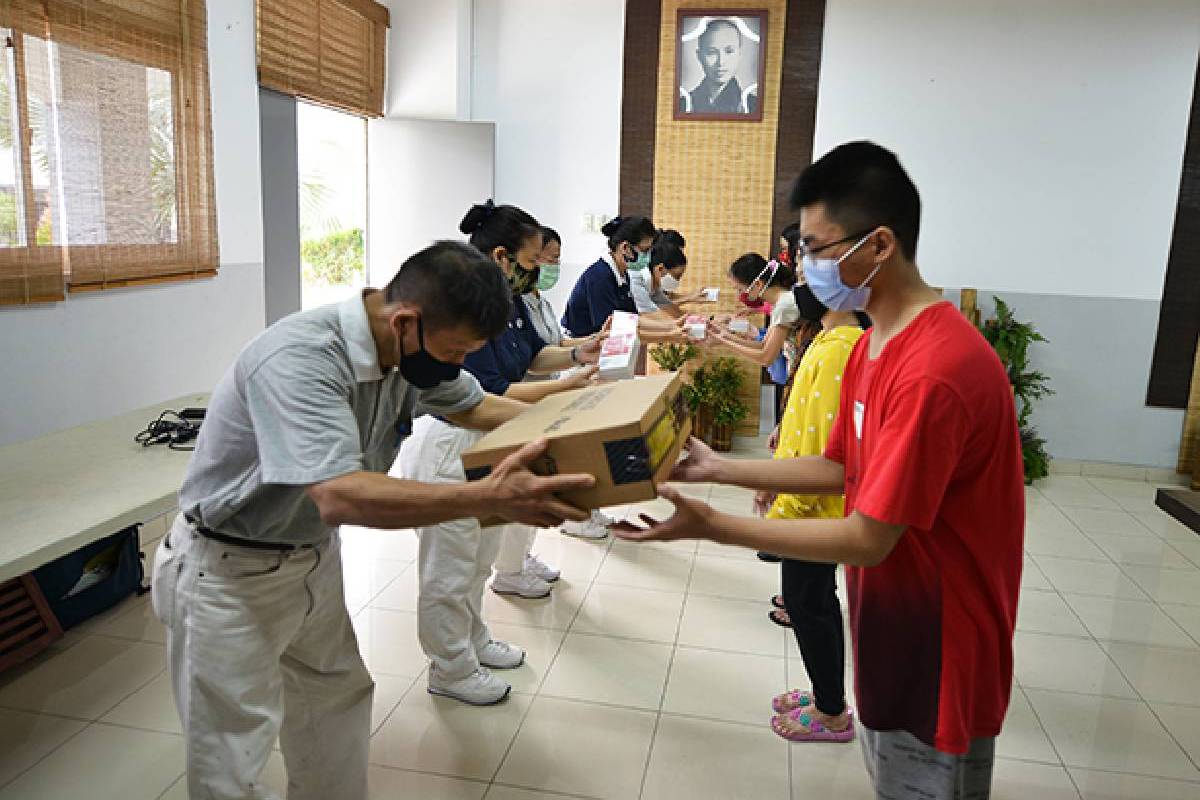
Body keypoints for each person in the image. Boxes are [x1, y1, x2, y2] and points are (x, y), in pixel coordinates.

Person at [615, 141, 1024, 800]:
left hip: (940, 644)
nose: (801, 265)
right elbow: (839, 466)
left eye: (815, 247)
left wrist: (714, 526)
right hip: (890, 618)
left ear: (880, 244)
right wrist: (719, 466)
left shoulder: (933, 370)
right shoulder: (874, 346)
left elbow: (868, 535)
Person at [153, 240, 594, 800]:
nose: (457, 365)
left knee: (333, 699)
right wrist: (488, 498)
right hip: (227, 568)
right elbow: (340, 495)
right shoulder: (302, 357)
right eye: (455, 350)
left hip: (309, 557)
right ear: (406, 320)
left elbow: (476, 405)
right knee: (230, 750)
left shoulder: (407, 352)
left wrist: (577, 424)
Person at [398, 202, 603, 706]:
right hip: (451, 443)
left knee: (477, 559)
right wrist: (565, 396)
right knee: (448, 568)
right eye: (535, 259)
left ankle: (473, 641)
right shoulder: (462, 311)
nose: (540, 270)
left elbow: (531, 358)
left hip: (489, 439)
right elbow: (490, 392)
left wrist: (579, 355)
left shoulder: (506, 303)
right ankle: (449, 666)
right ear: (501, 256)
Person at [754, 282, 866, 743]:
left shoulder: (843, 347)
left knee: (809, 604)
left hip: (813, 508)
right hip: (801, 498)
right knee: (811, 600)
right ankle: (826, 696)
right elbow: (804, 420)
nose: (801, 287)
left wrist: (786, 503)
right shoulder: (825, 337)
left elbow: (825, 444)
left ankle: (832, 712)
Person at [505, 225, 619, 549]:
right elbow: (525, 365)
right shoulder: (514, 304)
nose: (551, 266)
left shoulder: (540, 301)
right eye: (547, 258)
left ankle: (523, 558)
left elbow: (551, 346)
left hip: (551, 387)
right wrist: (571, 373)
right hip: (529, 395)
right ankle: (516, 563)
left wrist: (587, 345)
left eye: (556, 259)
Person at [561, 215, 686, 343]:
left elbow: (630, 319)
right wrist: (669, 334)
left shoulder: (623, 275)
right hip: (582, 346)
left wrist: (673, 325)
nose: (649, 257)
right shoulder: (599, 278)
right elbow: (615, 328)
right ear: (625, 248)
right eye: (645, 250)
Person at [679, 18, 758, 115]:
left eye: (729, 51)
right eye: (712, 52)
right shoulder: (683, 105)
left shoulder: (753, 106)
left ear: (739, 54)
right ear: (699, 56)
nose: (721, 62)